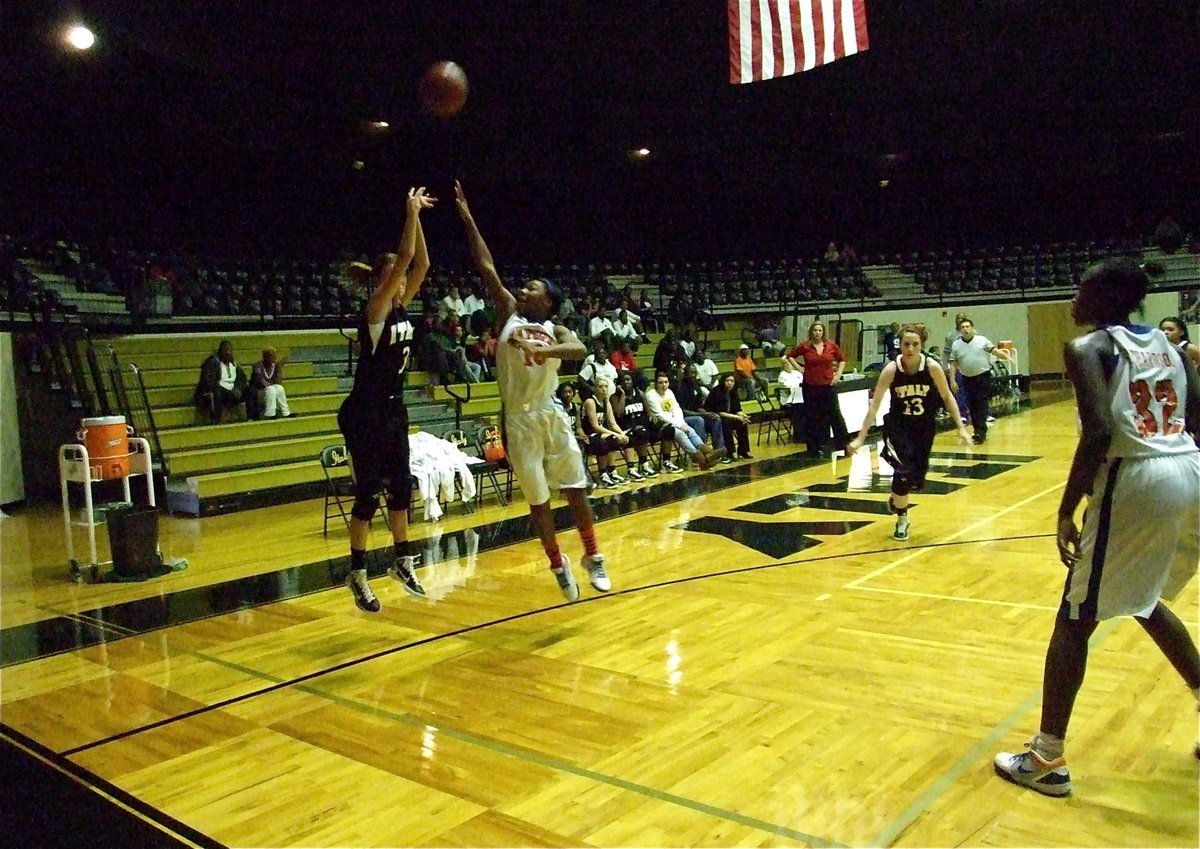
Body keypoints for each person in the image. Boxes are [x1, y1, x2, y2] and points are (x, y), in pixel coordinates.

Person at [993, 258, 1200, 797]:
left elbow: (1098, 431)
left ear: (1104, 297)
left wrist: (1066, 508)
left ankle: (1045, 757)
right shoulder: (1175, 349)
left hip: (1137, 476)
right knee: (1146, 599)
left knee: (1075, 614)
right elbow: (1196, 420)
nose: (1073, 297)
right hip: (1188, 469)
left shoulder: (1089, 348)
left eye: (1082, 288)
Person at [455, 180, 609, 601]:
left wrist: (542, 352)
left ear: (549, 302)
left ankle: (592, 555)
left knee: (575, 487)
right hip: (518, 418)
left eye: (533, 288)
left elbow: (577, 349)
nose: (525, 289)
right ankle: (558, 562)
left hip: (549, 411)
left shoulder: (554, 327)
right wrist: (468, 218)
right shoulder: (508, 312)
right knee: (538, 500)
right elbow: (486, 267)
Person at [337, 186, 436, 613]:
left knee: (402, 488)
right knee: (368, 494)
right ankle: (357, 573)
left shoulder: (400, 305)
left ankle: (402, 560)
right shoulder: (376, 307)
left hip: (393, 407)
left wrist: (421, 219)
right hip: (365, 412)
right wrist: (409, 211)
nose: (403, 280)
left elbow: (423, 262)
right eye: (395, 274)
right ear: (382, 279)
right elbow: (408, 256)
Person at [845, 324, 971, 540]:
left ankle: (896, 500)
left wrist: (960, 427)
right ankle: (902, 520)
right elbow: (875, 405)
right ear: (899, 345)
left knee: (916, 481)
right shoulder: (892, 370)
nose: (910, 349)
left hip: (924, 428)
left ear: (922, 345)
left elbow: (948, 397)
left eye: (915, 344)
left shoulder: (931, 367)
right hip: (898, 428)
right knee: (902, 473)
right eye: (906, 344)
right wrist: (860, 438)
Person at [786, 322, 850, 457]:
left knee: (835, 415)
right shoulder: (805, 346)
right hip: (810, 385)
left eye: (820, 330)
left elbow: (842, 359)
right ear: (811, 331)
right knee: (812, 417)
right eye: (815, 330)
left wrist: (837, 375)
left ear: (823, 332)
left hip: (828, 385)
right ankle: (814, 447)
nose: (817, 333)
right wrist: (799, 368)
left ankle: (844, 444)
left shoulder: (831, 345)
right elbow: (790, 356)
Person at [947, 317, 1012, 444]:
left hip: (983, 376)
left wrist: (1006, 356)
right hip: (967, 377)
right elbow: (953, 364)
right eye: (963, 327)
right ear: (960, 330)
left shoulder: (981, 340)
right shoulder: (956, 345)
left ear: (972, 328)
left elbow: (994, 351)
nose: (965, 329)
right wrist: (952, 380)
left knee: (981, 403)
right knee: (971, 404)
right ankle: (977, 429)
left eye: (968, 327)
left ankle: (980, 432)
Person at [644, 371, 725, 471]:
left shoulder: (669, 392)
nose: (664, 385)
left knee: (690, 430)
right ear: (655, 384)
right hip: (662, 425)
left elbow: (677, 409)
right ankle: (700, 459)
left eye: (666, 382)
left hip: (676, 421)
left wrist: (681, 423)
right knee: (680, 433)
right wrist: (678, 425)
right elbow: (660, 415)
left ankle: (707, 452)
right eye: (661, 383)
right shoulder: (651, 395)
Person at [609, 372, 661, 480]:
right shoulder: (614, 397)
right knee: (639, 433)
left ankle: (660, 462)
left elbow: (648, 411)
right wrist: (623, 396)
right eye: (624, 380)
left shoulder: (640, 393)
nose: (627, 382)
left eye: (629, 379)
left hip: (641, 426)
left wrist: (652, 416)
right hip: (625, 427)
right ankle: (633, 468)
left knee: (667, 430)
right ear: (619, 383)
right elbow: (619, 414)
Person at [581, 377, 629, 488]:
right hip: (588, 436)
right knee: (608, 439)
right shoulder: (590, 402)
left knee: (614, 439)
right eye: (600, 386)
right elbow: (595, 426)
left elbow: (613, 423)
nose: (604, 389)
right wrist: (614, 434)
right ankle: (603, 474)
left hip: (600, 434)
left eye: (606, 386)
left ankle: (612, 472)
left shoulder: (606, 403)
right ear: (594, 388)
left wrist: (622, 434)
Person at [194, 340, 248, 423]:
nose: (228, 352)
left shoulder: (234, 364)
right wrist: (228, 391)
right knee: (218, 392)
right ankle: (218, 419)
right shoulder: (212, 362)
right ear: (220, 351)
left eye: (230, 350)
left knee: (251, 390)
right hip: (214, 392)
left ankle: (252, 418)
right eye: (225, 350)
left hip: (231, 391)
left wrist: (238, 388)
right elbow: (209, 383)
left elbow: (243, 379)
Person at [704, 373, 753, 460]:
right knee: (726, 424)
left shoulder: (733, 392)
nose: (730, 383)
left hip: (729, 416)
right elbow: (720, 412)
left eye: (732, 381)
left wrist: (744, 416)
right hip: (715, 418)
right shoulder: (716, 392)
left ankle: (743, 451)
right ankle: (729, 452)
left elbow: (737, 409)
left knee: (743, 423)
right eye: (727, 381)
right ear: (723, 381)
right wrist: (737, 417)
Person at [250, 347, 291, 419]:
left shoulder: (274, 366)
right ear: (264, 356)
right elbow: (262, 382)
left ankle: (285, 413)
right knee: (271, 389)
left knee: (279, 388)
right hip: (258, 393)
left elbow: (278, 383)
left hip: (270, 392)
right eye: (271, 356)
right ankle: (270, 414)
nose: (273, 358)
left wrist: (279, 368)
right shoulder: (257, 366)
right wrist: (272, 385)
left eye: (274, 356)